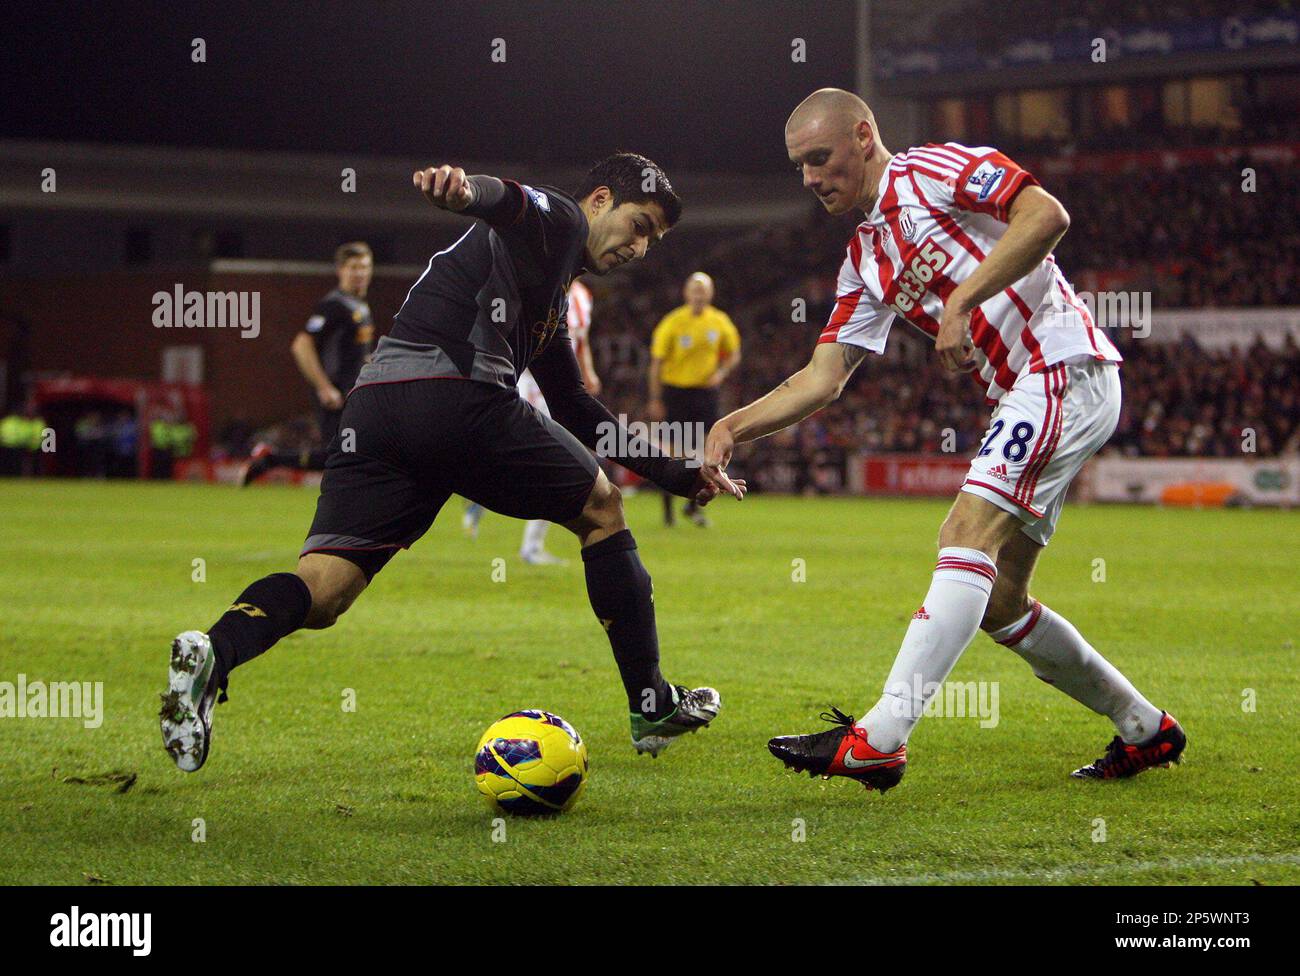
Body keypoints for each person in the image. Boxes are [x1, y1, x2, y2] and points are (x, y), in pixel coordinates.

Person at [161, 153, 744, 774]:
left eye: (654, 239)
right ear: (601, 201)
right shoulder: (567, 221)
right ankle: (650, 703)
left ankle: (214, 651)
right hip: (458, 393)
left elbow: (575, 404)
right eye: (640, 225)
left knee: (324, 591)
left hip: (378, 409)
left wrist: (678, 474)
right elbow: (513, 201)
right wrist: (464, 192)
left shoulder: (546, 298)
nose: (642, 247)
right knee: (602, 509)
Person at [702, 88, 1184, 792]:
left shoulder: (931, 170)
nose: (809, 178)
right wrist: (729, 426)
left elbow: (1045, 214)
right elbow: (823, 377)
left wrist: (961, 301)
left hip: (1062, 365)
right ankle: (1145, 728)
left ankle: (882, 739)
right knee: (1000, 602)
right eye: (798, 167)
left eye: (819, 158)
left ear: (864, 137)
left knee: (964, 534)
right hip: (1029, 392)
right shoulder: (865, 256)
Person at [461, 277, 600, 564]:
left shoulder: (583, 296)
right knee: (551, 457)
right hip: (530, 380)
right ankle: (480, 488)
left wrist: (588, 372)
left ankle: (480, 489)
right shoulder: (537, 286)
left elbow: (580, 340)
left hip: (559, 386)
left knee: (558, 459)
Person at [241, 242, 375, 484]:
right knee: (344, 455)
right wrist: (324, 387)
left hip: (354, 394)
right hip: (336, 394)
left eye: (365, 267)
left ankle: (270, 459)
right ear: (340, 270)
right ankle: (271, 459)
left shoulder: (360, 306)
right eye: (354, 267)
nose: (360, 273)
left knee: (349, 454)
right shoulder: (334, 305)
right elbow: (301, 345)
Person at [647, 272, 741, 526]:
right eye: (694, 290)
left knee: (705, 451)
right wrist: (655, 398)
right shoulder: (673, 322)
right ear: (686, 293)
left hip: (705, 394)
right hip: (676, 392)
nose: (698, 295)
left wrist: (721, 373)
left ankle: (693, 506)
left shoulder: (719, 321)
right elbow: (657, 363)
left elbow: (733, 353)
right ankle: (667, 511)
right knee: (673, 452)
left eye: (703, 290)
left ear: (710, 294)